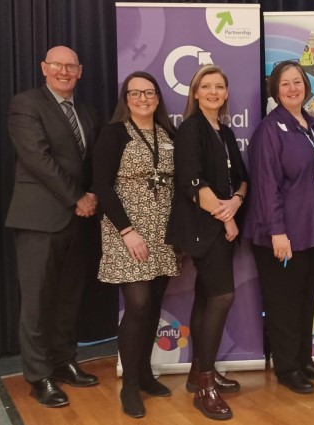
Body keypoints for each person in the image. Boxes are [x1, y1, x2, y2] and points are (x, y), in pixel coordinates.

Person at [6, 45, 100, 408]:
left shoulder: (88, 112)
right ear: (44, 67)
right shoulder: (26, 104)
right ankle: (38, 375)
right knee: (37, 300)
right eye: (57, 65)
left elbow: (92, 162)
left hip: (79, 220)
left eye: (71, 66)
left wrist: (93, 195)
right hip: (39, 219)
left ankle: (63, 362)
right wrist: (78, 197)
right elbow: (38, 158)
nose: (64, 71)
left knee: (68, 296)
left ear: (80, 71)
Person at [243, 60, 314, 395]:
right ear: (275, 90)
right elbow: (266, 184)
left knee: (305, 299)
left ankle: (303, 359)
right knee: (284, 303)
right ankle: (287, 368)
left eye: (297, 82)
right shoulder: (269, 130)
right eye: (284, 84)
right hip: (282, 234)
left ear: (306, 86)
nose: (292, 88)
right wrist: (277, 232)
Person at [92, 71, 181, 418]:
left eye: (149, 93)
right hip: (126, 230)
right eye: (135, 93)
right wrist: (127, 230)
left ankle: (144, 374)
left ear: (158, 98)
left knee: (155, 303)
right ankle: (129, 386)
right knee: (139, 303)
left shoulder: (167, 134)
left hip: (162, 231)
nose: (143, 99)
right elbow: (102, 186)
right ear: (125, 99)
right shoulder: (114, 134)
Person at [165, 65, 248, 420]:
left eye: (219, 86)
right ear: (195, 93)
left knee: (205, 298)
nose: (213, 92)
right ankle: (205, 388)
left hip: (222, 226)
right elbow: (192, 181)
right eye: (206, 86)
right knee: (221, 296)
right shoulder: (191, 129)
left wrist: (238, 201)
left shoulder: (226, 133)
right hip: (203, 228)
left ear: (226, 93)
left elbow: (243, 179)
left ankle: (198, 372)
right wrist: (228, 218)